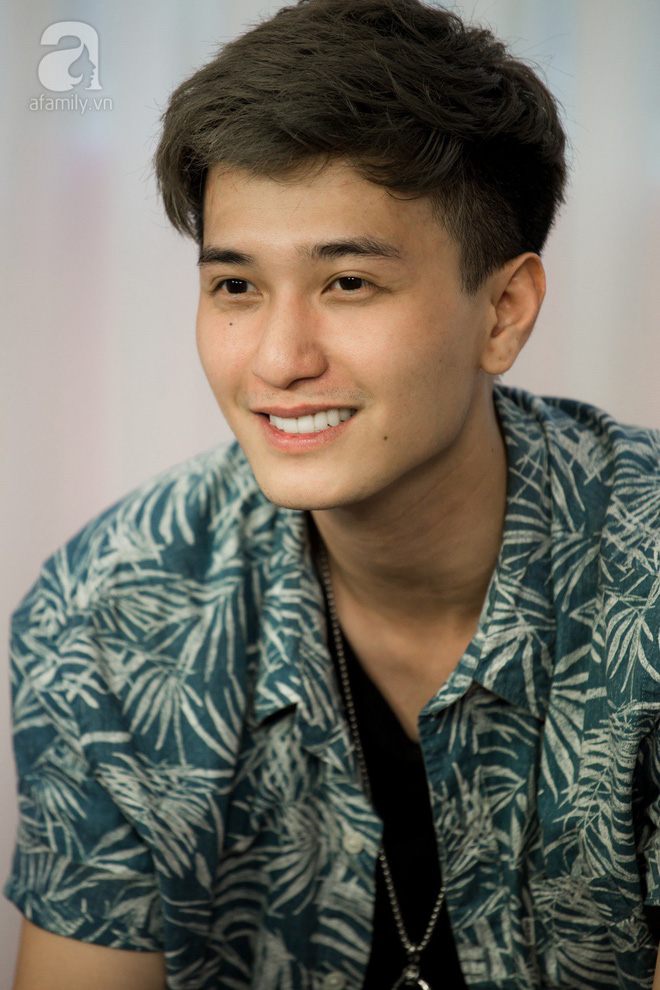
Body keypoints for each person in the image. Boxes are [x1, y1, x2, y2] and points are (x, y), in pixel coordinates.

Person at [6, 0, 660, 987]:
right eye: (236, 286)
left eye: (348, 282)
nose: (278, 360)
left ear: (504, 311)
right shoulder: (112, 613)